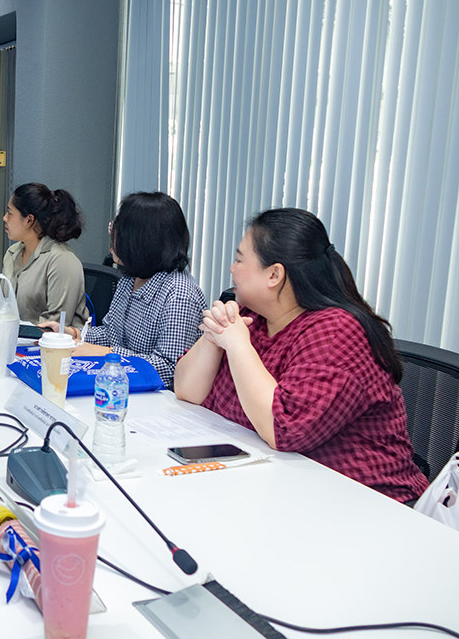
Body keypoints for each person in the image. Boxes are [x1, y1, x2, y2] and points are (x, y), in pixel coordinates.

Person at [174, 208, 428, 503]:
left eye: (240, 259)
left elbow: (283, 428)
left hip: (363, 502)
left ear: (274, 274)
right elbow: (187, 391)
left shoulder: (336, 332)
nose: (232, 268)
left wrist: (237, 345)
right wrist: (213, 337)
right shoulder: (251, 317)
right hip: (275, 487)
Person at [50, 192, 206, 390]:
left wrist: (107, 354)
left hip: (158, 400)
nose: (112, 240)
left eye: (118, 232)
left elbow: (170, 371)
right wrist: (73, 334)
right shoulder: (130, 278)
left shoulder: (179, 294)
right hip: (123, 389)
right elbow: (111, 334)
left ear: (142, 241)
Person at [1, 183, 88, 327]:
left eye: (10, 213)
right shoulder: (12, 253)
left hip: (51, 340)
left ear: (29, 220)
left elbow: (55, 324)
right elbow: (4, 306)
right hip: (18, 336)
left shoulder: (62, 260)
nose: (5, 218)